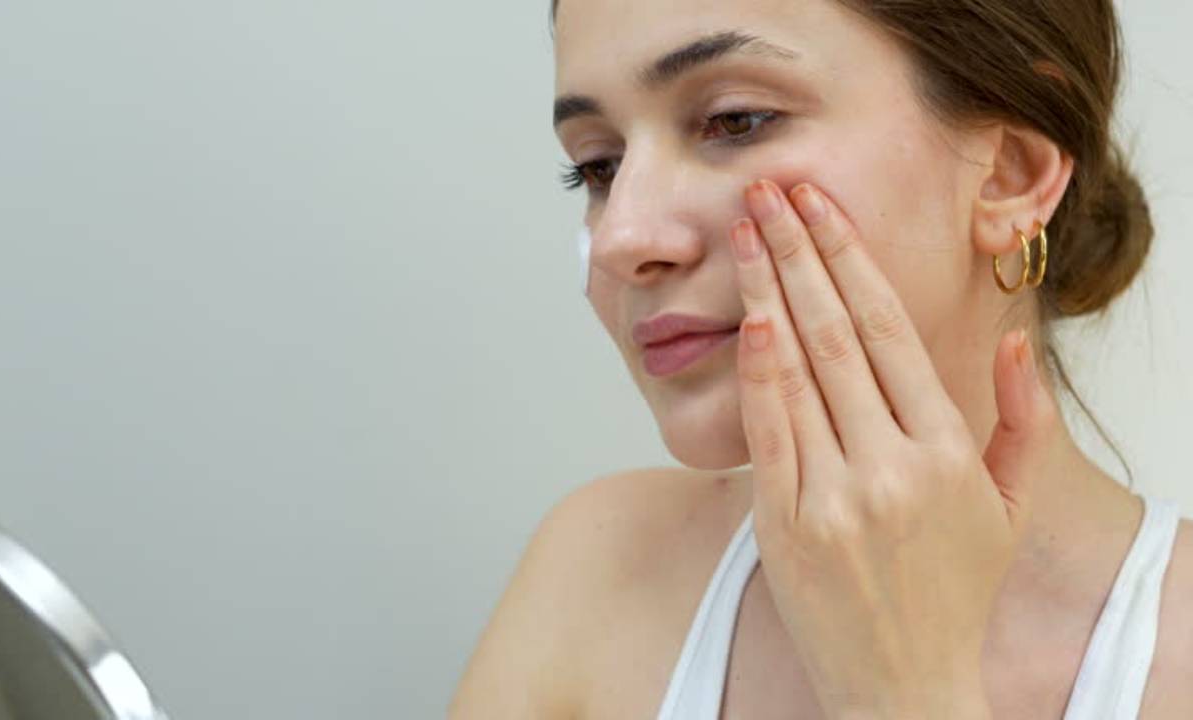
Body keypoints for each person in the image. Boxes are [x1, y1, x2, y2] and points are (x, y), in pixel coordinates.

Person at [449, 0, 1193, 717]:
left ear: (1009, 173)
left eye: (735, 120)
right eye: (598, 168)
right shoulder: (597, 570)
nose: (621, 237)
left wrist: (904, 695)